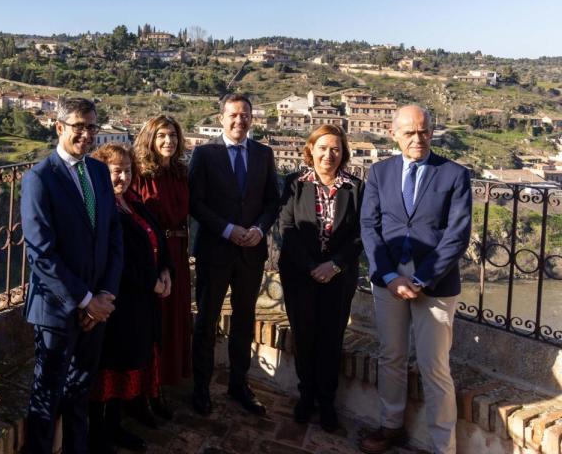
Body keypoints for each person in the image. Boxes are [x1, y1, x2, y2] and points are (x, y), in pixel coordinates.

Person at [359, 105, 472, 454]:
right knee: (390, 356)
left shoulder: (454, 174)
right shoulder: (379, 173)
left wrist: (421, 279)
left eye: (423, 131)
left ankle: (443, 446)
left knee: (434, 367)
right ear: (394, 134)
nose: (417, 139)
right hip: (389, 282)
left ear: (432, 132)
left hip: (435, 285)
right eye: (409, 132)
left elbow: (457, 234)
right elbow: (370, 227)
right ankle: (391, 426)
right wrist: (390, 276)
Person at [21, 97, 124, 454]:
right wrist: (85, 300)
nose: (86, 134)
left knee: (80, 394)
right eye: (78, 126)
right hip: (55, 311)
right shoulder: (39, 179)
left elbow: (113, 236)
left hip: (97, 307)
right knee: (46, 399)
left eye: (91, 127)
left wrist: (105, 295)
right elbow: (41, 254)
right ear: (59, 126)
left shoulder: (97, 171)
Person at [188, 93, 279, 416]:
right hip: (215, 251)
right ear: (221, 118)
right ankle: (200, 386)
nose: (239, 121)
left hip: (251, 254)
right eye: (233, 115)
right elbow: (195, 203)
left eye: (245, 115)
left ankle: (239, 385)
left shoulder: (264, 154)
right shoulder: (204, 154)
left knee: (243, 321)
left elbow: (272, 201)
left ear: (252, 118)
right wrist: (227, 229)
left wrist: (259, 229)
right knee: (206, 321)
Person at [277, 125, 364, 432]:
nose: (329, 155)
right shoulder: (293, 184)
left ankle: (327, 402)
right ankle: (306, 397)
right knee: (304, 336)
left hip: (339, 278)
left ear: (344, 153)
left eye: (336, 149)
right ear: (310, 149)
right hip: (300, 276)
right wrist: (312, 266)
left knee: (331, 338)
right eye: (323, 148)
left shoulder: (355, 188)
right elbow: (286, 229)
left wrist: (334, 265)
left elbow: (360, 234)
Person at [87, 143, 173, 453]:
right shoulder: (99, 208)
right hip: (118, 304)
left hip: (141, 303)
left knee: (126, 365)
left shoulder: (133, 202)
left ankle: (116, 426)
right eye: (115, 171)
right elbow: (115, 261)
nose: (122, 177)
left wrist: (165, 271)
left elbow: (157, 239)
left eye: (126, 170)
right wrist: (151, 282)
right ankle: (99, 435)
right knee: (108, 369)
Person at [131, 115, 191, 418]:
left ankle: (160, 387)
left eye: (173, 136)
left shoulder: (180, 172)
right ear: (151, 139)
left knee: (172, 321)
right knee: (150, 324)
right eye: (162, 136)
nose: (169, 141)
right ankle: (142, 393)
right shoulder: (140, 173)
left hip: (178, 253)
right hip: (151, 254)